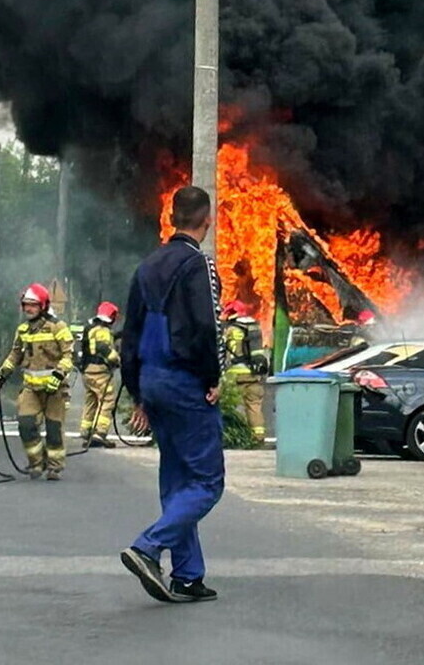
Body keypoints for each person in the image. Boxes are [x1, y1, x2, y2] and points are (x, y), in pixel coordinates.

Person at [119, 185, 225, 604]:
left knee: (178, 479)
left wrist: (136, 393)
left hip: (152, 381)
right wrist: (213, 376)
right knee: (207, 481)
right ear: (207, 219)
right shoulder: (199, 265)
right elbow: (207, 328)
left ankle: (188, 575)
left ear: (171, 218)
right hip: (184, 381)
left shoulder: (146, 267)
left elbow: (130, 335)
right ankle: (148, 546)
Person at [0, 283, 74, 481]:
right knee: (26, 425)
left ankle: (54, 467)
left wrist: (58, 375)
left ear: (43, 306)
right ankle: (36, 462)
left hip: (55, 390)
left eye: (33, 305)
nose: (28, 309)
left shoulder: (58, 327)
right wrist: (1, 375)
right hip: (30, 389)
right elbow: (15, 355)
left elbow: (69, 355)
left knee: (54, 429)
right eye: (26, 304)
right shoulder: (23, 330)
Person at [221, 299, 268, 443]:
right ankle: (258, 437)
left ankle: (231, 436)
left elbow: (222, 350)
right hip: (253, 374)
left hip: (234, 375)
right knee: (254, 406)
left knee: (228, 405)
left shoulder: (230, 329)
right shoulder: (255, 328)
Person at [79, 301, 121, 448]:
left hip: (87, 371)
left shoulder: (91, 329)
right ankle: (100, 433)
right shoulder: (102, 331)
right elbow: (103, 348)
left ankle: (86, 430)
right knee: (107, 400)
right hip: (99, 372)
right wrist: (117, 360)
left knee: (92, 400)